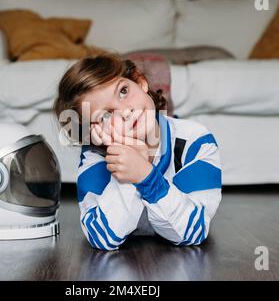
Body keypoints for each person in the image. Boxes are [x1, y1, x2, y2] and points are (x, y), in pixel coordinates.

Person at [53, 53, 222, 251]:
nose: (125, 111)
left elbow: (192, 231)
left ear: (140, 82)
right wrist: (127, 175)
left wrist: (145, 176)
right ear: (93, 133)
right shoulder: (94, 158)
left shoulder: (195, 141)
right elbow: (102, 238)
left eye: (123, 91)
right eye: (106, 115)